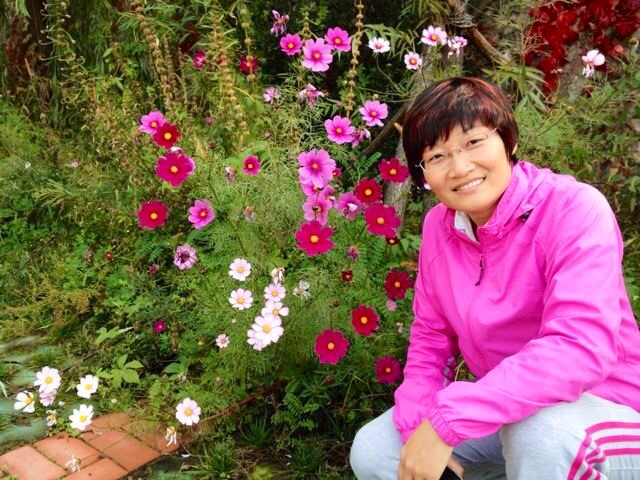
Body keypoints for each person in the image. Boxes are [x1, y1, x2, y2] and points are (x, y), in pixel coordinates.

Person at [349, 77, 640, 480]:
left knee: (541, 435)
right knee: (378, 450)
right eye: (437, 156)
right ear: (423, 173)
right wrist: (419, 429)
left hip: (609, 410)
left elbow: (580, 347)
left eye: (473, 142)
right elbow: (431, 340)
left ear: (508, 141)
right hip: (509, 412)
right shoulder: (439, 228)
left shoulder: (573, 209)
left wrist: (450, 420)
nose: (460, 167)